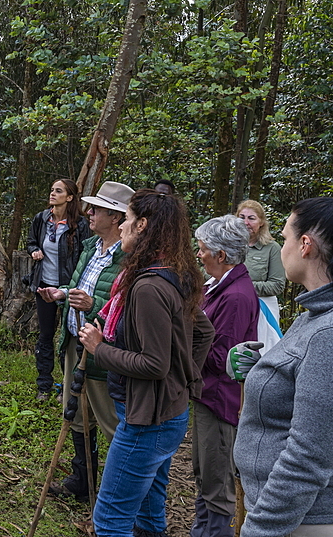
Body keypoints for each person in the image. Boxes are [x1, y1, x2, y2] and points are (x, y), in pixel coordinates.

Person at [228, 195, 333, 537]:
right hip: (301, 518)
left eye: (285, 237)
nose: (281, 247)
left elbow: (309, 458)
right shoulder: (320, 317)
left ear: (305, 246)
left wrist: (259, 529)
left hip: (319, 521)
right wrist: (260, 367)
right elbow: (304, 381)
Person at [78, 189, 215, 537]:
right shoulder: (172, 273)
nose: (121, 226)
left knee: (109, 519)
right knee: (150, 514)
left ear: (143, 225)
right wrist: (183, 379)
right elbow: (203, 332)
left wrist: (99, 349)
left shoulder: (149, 287)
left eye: (125, 219)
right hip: (164, 412)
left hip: (147, 420)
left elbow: (154, 364)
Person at [38, 180, 133, 503]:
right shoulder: (92, 246)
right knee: (76, 414)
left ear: (116, 217)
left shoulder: (129, 256)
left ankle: (122, 495)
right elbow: (82, 284)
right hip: (75, 344)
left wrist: (92, 306)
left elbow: (122, 304)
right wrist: (62, 293)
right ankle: (83, 479)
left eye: (97, 209)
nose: (89, 212)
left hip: (103, 353)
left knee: (111, 422)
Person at [191, 215, 259, 537]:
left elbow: (222, 358)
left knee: (217, 483)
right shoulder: (219, 286)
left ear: (221, 255)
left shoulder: (236, 296)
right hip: (206, 395)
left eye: (203, 249)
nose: (199, 255)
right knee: (204, 474)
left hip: (220, 401)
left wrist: (182, 347)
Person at [27, 178, 90, 400]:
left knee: (69, 337)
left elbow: (86, 256)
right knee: (45, 335)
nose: (52, 194)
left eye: (58, 191)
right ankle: (44, 385)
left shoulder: (81, 225)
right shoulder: (42, 219)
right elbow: (31, 241)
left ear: (70, 197)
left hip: (69, 288)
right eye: (52, 190)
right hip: (44, 286)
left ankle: (68, 387)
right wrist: (34, 250)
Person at [235, 199, 285, 338]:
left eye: (251, 218)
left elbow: (277, 285)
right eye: (242, 217)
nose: (246, 223)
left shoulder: (272, 248)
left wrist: (243, 287)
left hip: (263, 310)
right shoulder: (229, 245)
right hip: (233, 306)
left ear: (261, 222)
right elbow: (211, 274)